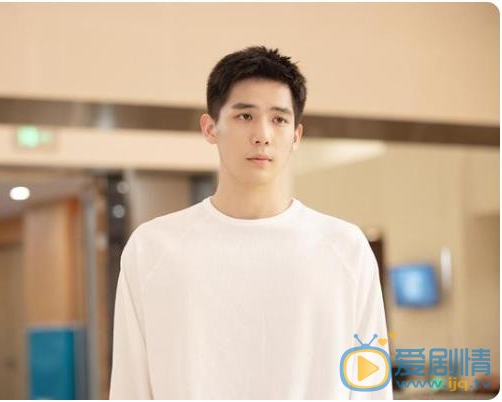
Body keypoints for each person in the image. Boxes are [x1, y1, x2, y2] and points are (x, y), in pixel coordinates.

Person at [109, 46, 392, 399]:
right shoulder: (153, 248)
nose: (263, 134)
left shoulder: (346, 248)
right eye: (245, 116)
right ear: (210, 128)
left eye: (279, 119)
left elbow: (370, 390)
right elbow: (131, 389)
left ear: (296, 136)